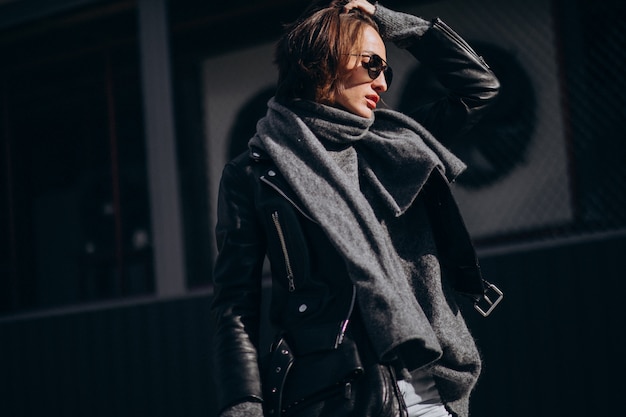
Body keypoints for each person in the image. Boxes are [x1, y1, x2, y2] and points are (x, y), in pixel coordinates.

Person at [210, 1, 501, 416]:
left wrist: (389, 21)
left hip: (434, 392)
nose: (382, 82)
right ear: (322, 60)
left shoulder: (398, 146)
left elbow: (480, 88)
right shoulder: (255, 173)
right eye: (371, 64)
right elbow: (235, 303)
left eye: (387, 69)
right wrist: (243, 403)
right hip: (334, 394)